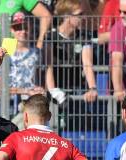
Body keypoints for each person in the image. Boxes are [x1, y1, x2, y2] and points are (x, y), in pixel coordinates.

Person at [44, 0, 98, 131]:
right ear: (67, 17)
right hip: (56, 92)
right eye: (79, 14)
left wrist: (92, 88)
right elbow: (48, 66)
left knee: (80, 129)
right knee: (54, 128)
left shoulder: (85, 36)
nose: (83, 17)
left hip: (76, 90)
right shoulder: (51, 37)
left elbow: (87, 64)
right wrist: (53, 90)